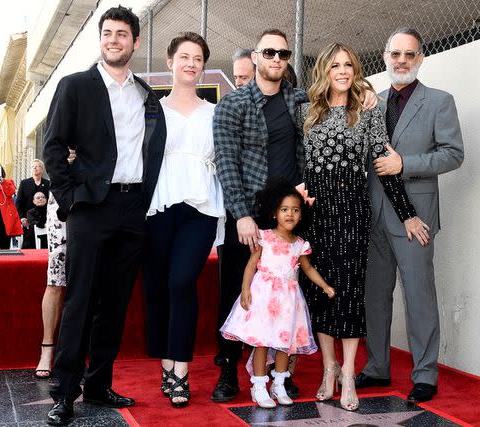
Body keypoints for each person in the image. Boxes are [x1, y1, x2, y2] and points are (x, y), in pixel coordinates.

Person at [213, 28, 377, 403]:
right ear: (255, 57)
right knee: (239, 294)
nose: (276, 59)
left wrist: (368, 92)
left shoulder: (299, 100)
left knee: (290, 297)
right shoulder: (233, 105)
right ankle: (228, 371)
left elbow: (338, 95)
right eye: (269, 52)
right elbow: (226, 162)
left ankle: (281, 374)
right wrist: (241, 214)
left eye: (283, 54)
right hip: (250, 216)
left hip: (291, 216)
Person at [42, 6, 166, 426]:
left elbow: (154, 149)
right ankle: (64, 393)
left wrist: (146, 198)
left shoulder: (145, 94)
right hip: (90, 208)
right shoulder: (75, 86)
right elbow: (54, 147)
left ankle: (98, 385)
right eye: (108, 33)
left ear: (134, 41)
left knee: (114, 303)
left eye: (122, 34)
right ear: (102, 39)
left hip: (133, 209)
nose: (114, 40)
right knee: (79, 301)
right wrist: (70, 198)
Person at [298, 43, 421, 411]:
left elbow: (383, 161)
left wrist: (408, 213)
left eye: (348, 64)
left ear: (356, 70)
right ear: (324, 70)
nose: (342, 70)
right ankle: (329, 367)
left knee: (349, 293)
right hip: (317, 215)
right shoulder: (306, 111)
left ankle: (349, 372)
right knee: (320, 291)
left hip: (352, 212)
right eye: (334, 65)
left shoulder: (367, 110)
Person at [357, 27, 465, 404]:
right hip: (371, 217)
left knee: (419, 295)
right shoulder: (371, 102)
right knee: (374, 297)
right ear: (385, 57)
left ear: (420, 59)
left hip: (414, 218)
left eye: (409, 54)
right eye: (395, 53)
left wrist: (405, 164)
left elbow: (453, 154)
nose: (401, 60)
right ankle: (376, 367)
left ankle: (425, 374)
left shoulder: (439, 101)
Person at [143, 32, 225, 408]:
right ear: (171, 62)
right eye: (184, 57)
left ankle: (180, 372)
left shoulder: (216, 111)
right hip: (159, 206)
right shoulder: (153, 110)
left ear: (203, 66)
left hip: (202, 207)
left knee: (182, 281)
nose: (191, 63)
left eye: (198, 58)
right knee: (159, 285)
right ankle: (165, 362)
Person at [220, 177, 334, 408]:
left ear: (301, 215)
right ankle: (259, 386)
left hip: (288, 301)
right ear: (274, 213)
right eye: (284, 209)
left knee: (285, 344)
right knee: (261, 342)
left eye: (295, 210)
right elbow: (251, 265)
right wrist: (244, 290)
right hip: (263, 298)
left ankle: (279, 384)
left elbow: (308, 268)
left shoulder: (300, 244)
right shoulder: (265, 237)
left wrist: (324, 285)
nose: (290, 214)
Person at [35, 149, 74, 380]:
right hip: (61, 199)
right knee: (56, 278)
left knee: (89, 278)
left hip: (95, 197)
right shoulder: (62, 114)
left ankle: (75, 350)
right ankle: (47, 349)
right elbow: (51, 152)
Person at [16, 159, 50, 243]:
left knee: (44, 244)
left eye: (37, 166)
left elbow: (50, 201)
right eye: (32, 166)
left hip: (44, 220)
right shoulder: (24, 183)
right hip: (29, 220)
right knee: (29, 245)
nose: (35, 168)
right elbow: (19, 202)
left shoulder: (48, 183)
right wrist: (22, 217)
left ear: (42, 169)